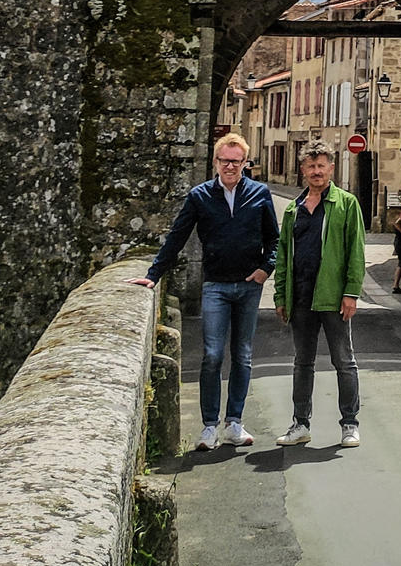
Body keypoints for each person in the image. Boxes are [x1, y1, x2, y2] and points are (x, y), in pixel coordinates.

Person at [136, 132, 278, 451]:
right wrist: (153, 275)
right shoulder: (200, 196)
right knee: (212, 355)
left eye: (236, 161)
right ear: (215, 161)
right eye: (225, 160)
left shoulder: (260, 193)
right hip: (215, 285)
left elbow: (274, 239)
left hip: (248, 286)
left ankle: (235, 424)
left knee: (242, 355)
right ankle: (209, 426)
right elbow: (177, 237)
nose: (230, 166)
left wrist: (265, 269)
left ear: (245, 163)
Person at [274, 142, 365, 448]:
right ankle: (300, 424)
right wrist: (280, 296)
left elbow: (356, 251)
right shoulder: (292, 209)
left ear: (331, 168)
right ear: (303, 170)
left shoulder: (346, 204)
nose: (316, 171)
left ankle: (349, 424)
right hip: (300, 297)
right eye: (311, 166)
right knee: (302, 363)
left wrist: (351, 292)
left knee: (344, 361)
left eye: (321, 165)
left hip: (333, 296)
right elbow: (283, 254)